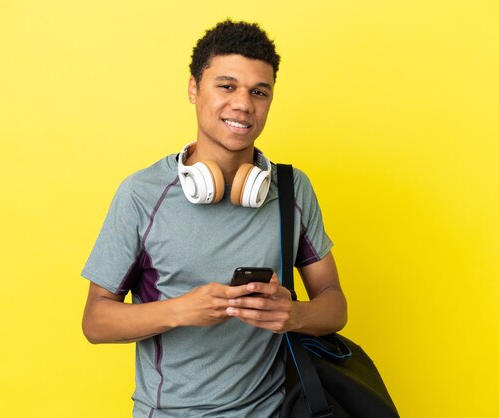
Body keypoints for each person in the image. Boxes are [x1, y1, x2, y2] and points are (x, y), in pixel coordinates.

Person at [81, 19, 347, 417]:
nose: (243, 104)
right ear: (193, 88)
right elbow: (95, 322)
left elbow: (335, 306)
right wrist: (179, 310)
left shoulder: (293, 189)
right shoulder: (141, 195)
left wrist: (294, 314)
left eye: (259, 91)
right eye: (227, 86)